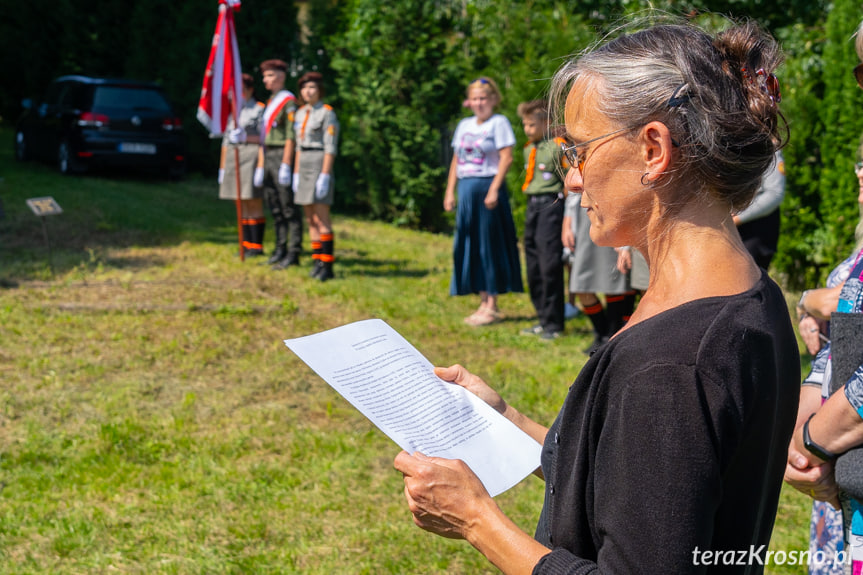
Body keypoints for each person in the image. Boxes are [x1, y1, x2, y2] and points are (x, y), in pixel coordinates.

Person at [394, 20, 799, 573]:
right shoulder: (749, 295)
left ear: (654, 148)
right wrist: (504, 416)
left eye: (579, 151)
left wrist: (476, 520)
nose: (573, 180)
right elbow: (637, 482)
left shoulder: (670, 364)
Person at [785, 151, 863, 572]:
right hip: (845, 497)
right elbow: (830, 361)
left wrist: (810, 441)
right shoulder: (856, 265)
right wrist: (794, 444)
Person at [445, 77, 523, 326]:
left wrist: (494, 189)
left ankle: (492, 304)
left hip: (487, 187)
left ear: (493, 100)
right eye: (475, 98)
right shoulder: (464, 125)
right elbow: (456, 160)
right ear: (470, 101)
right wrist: (450, 192)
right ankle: (481, 299)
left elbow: (506, 158)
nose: (479, 103)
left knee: (489, 245)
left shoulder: (498, 123)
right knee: (470, 243)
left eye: (484, 99)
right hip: (467, 189)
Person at [562, 191, 637, 354]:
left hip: (609, 207)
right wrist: (567, 221)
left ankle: (610, 336)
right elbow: (573, 190)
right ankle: (601, 333)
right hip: (582, 217)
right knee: (581, 285)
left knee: (612, 280)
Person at [516, 100, 566, 340]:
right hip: (532, 206)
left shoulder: (557, 147)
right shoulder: (528, 149)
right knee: (533, 264)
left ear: (546, 123)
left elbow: (568, 180)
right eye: (524, 124)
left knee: (549, 266)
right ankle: (541, 318)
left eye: (532, 124)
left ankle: (554, 323)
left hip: (551, 207)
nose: (527, 129)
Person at [256, 59, 303, 270]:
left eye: (270, 75)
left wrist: (286, 163)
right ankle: (280, 248)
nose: (266, 80)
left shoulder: (287, 102)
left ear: (281, 76)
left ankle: (294, 251)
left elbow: (290, 136)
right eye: (264, 76)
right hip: (268, 154)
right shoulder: (271, 101)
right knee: (274, 205)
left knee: (288, 207)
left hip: (281, 155)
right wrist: (260, 164)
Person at [293, 71, 340, 282]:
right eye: (304, 88)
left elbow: (330, 146)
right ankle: (316, 260)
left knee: (322, 217)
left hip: (319, 161)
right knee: (310, 217)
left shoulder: (327, 113)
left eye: (312, 87)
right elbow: (297, 146)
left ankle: (327, 264)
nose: (307, 91)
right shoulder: (301, 112)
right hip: (303, 162)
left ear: (320, 90)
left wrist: (325, 175)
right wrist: (295, 172)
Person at [218, 73, 266, 256]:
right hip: (233, 156)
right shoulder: (232, 110)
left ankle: (256, 245)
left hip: (250, 155)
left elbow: (264, 138)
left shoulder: (259, 109)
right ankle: (245, 243)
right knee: (239, 201)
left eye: (241, 90)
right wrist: (222, 168)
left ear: (250, 90)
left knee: (252, 200)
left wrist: (247, 138)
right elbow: (225, 140)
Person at [734, 148, 786, 270]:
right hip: (733, 229)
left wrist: (737, 218)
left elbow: (774, 194)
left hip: (756, 232)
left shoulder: (770, 152)